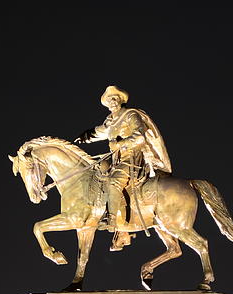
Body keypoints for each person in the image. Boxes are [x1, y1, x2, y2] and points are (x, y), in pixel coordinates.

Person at [74, 85, 172, 250]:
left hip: (132, 160)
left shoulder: (130, 115)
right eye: (109, 100)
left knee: (114, 181)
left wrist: (120, 144)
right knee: (98, 175)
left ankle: (112, 220)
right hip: (117, 161)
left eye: (114, 99)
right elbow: (99, 132)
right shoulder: (110, 121)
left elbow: (140, 136)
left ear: (120, 100)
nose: (112, 102)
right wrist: (85, 137)